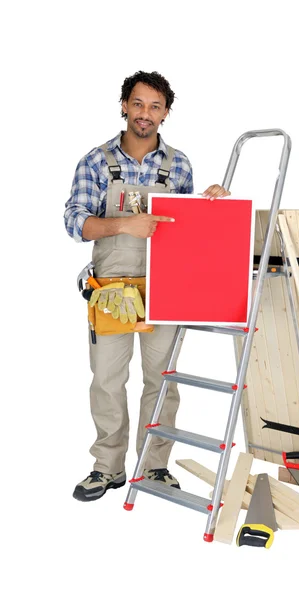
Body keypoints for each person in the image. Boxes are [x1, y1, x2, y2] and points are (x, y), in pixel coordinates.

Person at [64, 71, 230, 502]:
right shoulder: (97, 162)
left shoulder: (179, 165)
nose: (145, 114)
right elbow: (75, 222)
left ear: (166, 114)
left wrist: (214, 205)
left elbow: (194, 231)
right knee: (107, 380)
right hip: (112, 291)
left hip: (167, 290)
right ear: (124, 105)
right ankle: (108, 468)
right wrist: (126, 225)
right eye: (138, 104)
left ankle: (154, 466)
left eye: (155, 106)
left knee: (162, 380)